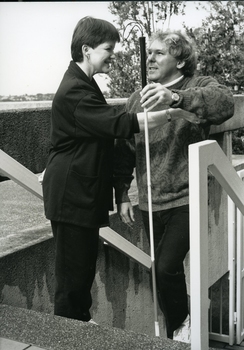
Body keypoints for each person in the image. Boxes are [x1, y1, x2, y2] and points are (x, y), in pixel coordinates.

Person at [42, 18, 199, 325]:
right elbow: (119, 123)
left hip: (81, 198)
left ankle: (77, 334)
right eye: (108, 49)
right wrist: (171, 113)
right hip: (72, 197)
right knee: (72, 287)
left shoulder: (83, 84)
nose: (113, 54)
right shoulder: (74, 90)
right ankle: (66, 339)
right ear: (87, 50)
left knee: (81, 279)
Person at [114, 29, 234, 342]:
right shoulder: (136, 99)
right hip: (150, 202)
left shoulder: (197, 85)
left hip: (187, 198)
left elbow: (225, 105)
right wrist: (122, 192)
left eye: (158, 53)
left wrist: (176, 98)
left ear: (179, 62)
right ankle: (176, 333)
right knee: (162, 272)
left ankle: (183, 327)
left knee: (166, 267)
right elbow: (125, 147)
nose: (149, 58)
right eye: (148, 53)